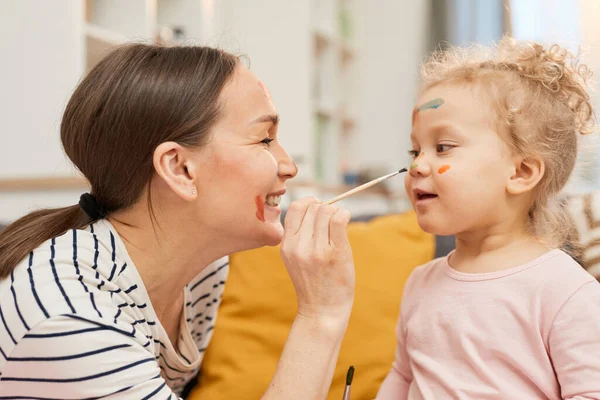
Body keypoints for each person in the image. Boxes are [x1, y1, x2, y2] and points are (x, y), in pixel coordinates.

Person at [0, 44, 355, 399]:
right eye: (264, 139)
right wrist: (321, 314)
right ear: (179, 168)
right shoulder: (72, 317)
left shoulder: (203, 274)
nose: (289, 166)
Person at [377, 37, 600, 399]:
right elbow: (402, 376)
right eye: (414, 149)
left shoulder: (565, 291)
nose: (417, 165)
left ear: (522, 172)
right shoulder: (420, 282)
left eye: (443, 147)